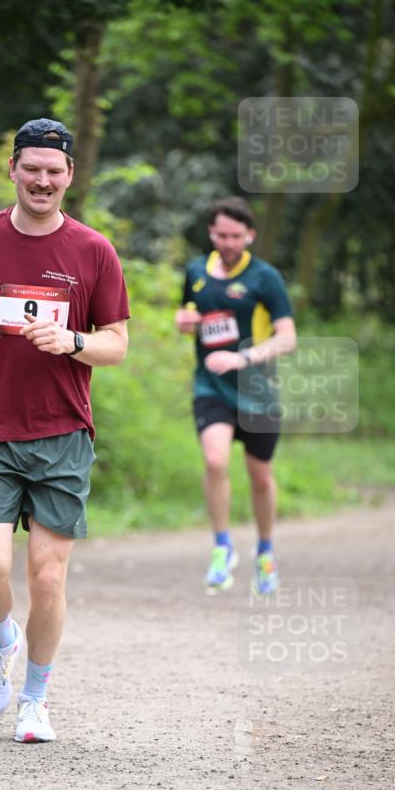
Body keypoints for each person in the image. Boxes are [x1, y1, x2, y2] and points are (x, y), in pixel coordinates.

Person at [0, 117, 129, 744]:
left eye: (54, 171)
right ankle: (0, 643)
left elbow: (117, 344)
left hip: (62, 432)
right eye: (31, 168)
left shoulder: (93, 250)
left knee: (47, 575)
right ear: (12, 169)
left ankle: (35, 699)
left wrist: (72, 340)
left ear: (70, 176)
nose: (42, 180)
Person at [175, 196, 296, 596]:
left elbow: (287, 337)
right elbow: (190, 317)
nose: (227, 243)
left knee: (260, 477)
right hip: (211, 385)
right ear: (211, 233)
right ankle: (222, 547)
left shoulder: (266, 278)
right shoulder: (195, 270)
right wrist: (184, 321)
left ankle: (264, 550)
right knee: (214, 459)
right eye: (221, 235)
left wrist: (243, 357)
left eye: (235, 236)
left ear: (250, 235)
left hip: (257, 389)